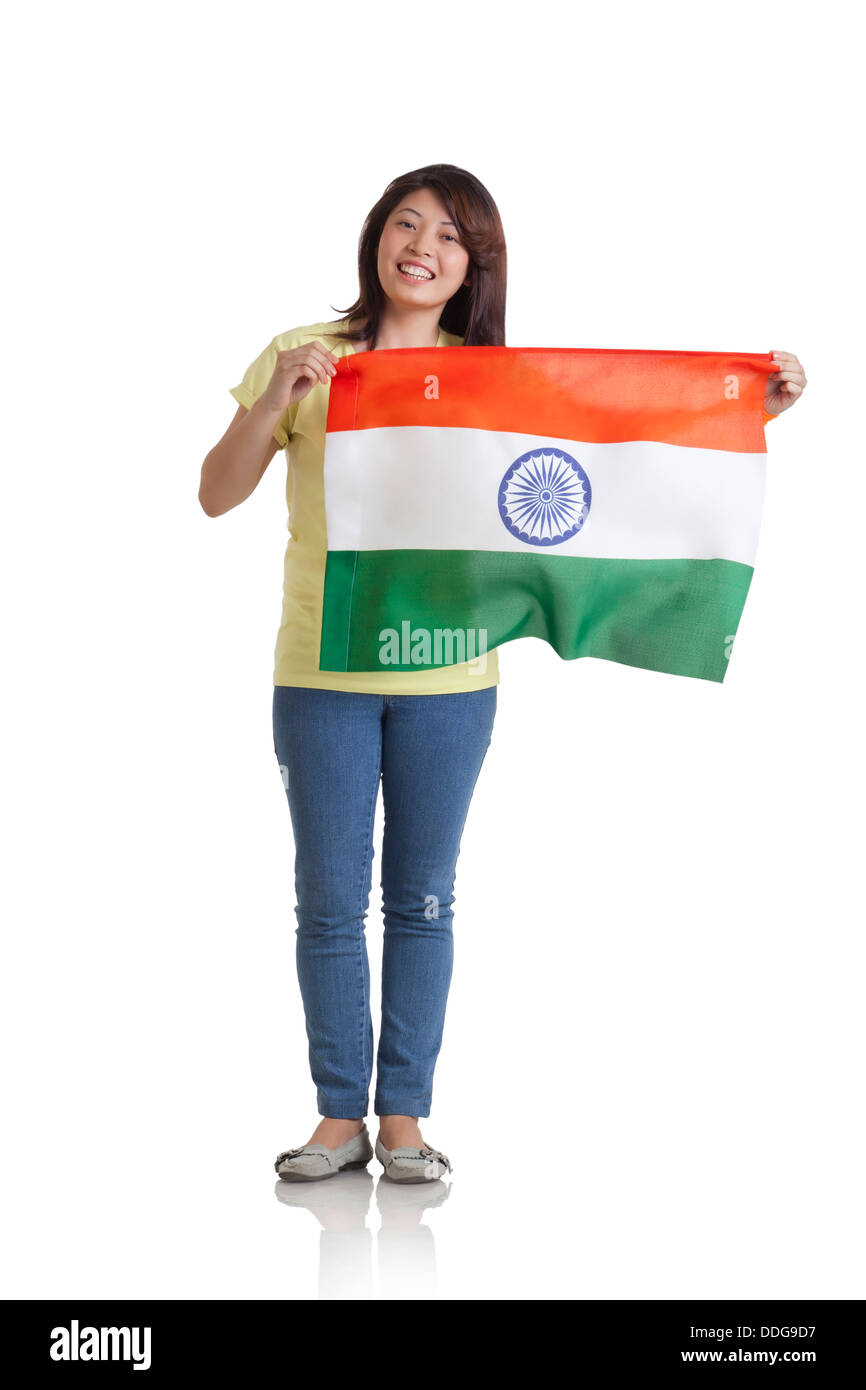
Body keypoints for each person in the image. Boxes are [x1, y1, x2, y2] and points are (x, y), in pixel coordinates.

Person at [199, 164, 807, 1184]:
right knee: (326, 899)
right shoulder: (307, 354)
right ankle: (335, 1116)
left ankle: (402, 1119)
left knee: (422, 900)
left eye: (450, 237)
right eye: (406, 223)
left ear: (471, 267)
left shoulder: (487, 378)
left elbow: (614, 456)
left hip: (449, 679)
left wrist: (745, 407)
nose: (421, 247)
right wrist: (273, 401)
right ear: (375, 236)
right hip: (319, 671)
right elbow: (215, 494)